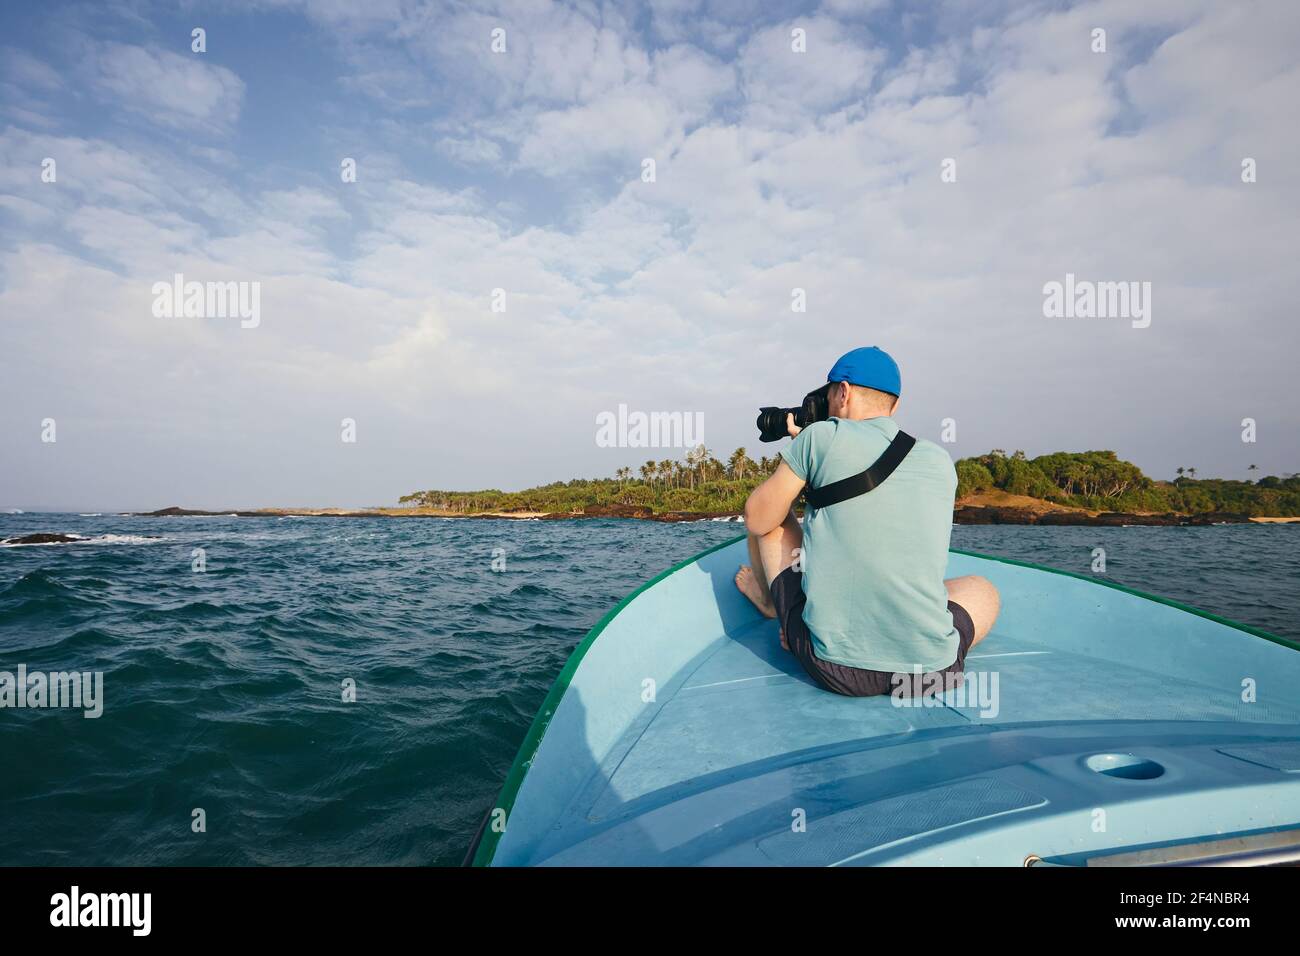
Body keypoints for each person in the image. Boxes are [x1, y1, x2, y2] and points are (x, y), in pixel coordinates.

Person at [734, 346, 1000, 697]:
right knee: (983, 589)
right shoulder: (938, 458)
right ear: (895, 405)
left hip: (839, 670)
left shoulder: (819, 437)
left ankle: (773, 605)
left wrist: (801, 451)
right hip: (933, 671)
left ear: (842, 392)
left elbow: (757, 518)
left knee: (773, 520)